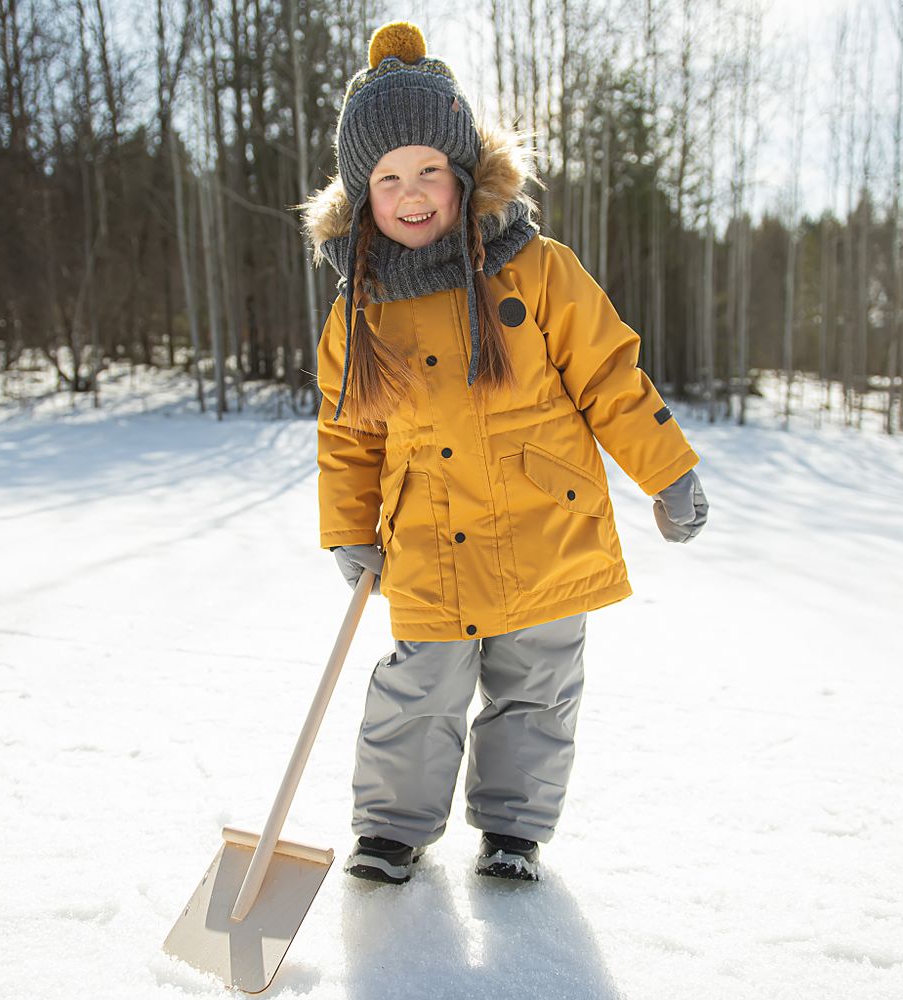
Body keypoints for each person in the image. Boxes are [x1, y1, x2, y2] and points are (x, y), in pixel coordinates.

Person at [302, 21, 708, 884]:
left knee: (537, 687)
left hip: (544, 522)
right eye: (387, 178)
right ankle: (390, 829)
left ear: (464, 174)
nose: (411, 194)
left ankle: (515, 829)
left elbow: (609, 375)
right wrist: (347, 527)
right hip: (430, 537)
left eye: (428, 171)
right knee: (418, 690)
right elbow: (348, 436)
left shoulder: (537, 269)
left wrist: (666, 468)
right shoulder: (359, 309)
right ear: (360, 191)